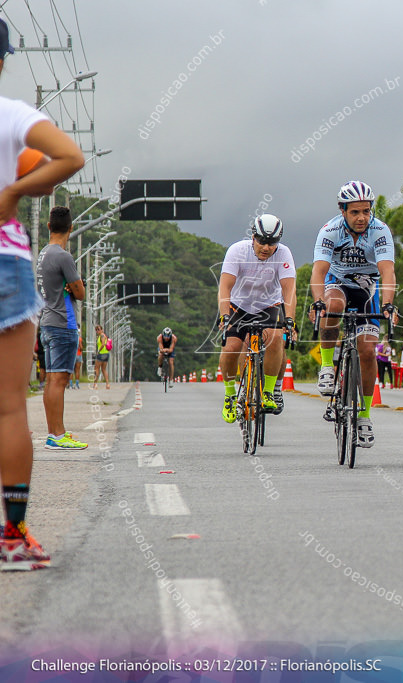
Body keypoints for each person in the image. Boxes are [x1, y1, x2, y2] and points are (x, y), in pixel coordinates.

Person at [0, 16, 85, 570]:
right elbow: (69, 158)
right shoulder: (11, 113)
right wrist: (13, 191)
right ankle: (12, 536)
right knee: (8, 408)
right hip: (4, 261)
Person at [310, 181, 397, 447]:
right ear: (343, 210)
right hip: (338, 282)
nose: (361, 218)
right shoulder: (330, 230)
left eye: (366, 212)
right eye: (355, 212)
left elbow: (387, 271)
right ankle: (327, 366)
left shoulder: (380, 231)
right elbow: (319, 271)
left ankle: (365, 416)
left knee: (368, 351)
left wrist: (388, 304)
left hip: (368, 288)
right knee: (332, 305)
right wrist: (318, 302)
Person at [218, 214, 297, 423]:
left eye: (272, 243)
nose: (266, 247)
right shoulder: (237, 251)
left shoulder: (284, 253)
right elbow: (225, 286)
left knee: (276, 338)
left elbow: (289, 290)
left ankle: (269, 392)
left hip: (267, 305)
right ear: (253, 237)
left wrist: (290, 319)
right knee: (231, 347)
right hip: (239, 305)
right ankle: (229, 395)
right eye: (262, 241)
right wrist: (225, 316)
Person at [37, 206, 88, 450]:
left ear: (48, 227)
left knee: (51, 380)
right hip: (62, 324)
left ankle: (54, 432)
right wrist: (75, 286)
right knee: (59, 380)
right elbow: (80, 291)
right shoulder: (63, 256)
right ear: (71, 228)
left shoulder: (44, 254)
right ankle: (57, 435)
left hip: (46, 322)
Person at [93, 323, 111, 390]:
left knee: (96, 369)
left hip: (101, 354)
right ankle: (107, 384)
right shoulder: (101, 336)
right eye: (96, 330)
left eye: (99, 329)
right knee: (103, 369)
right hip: (106, 354)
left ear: (102, 330)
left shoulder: (102, 336)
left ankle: (95, 384)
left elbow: (103, 344)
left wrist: (98, 351)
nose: (97, 331)